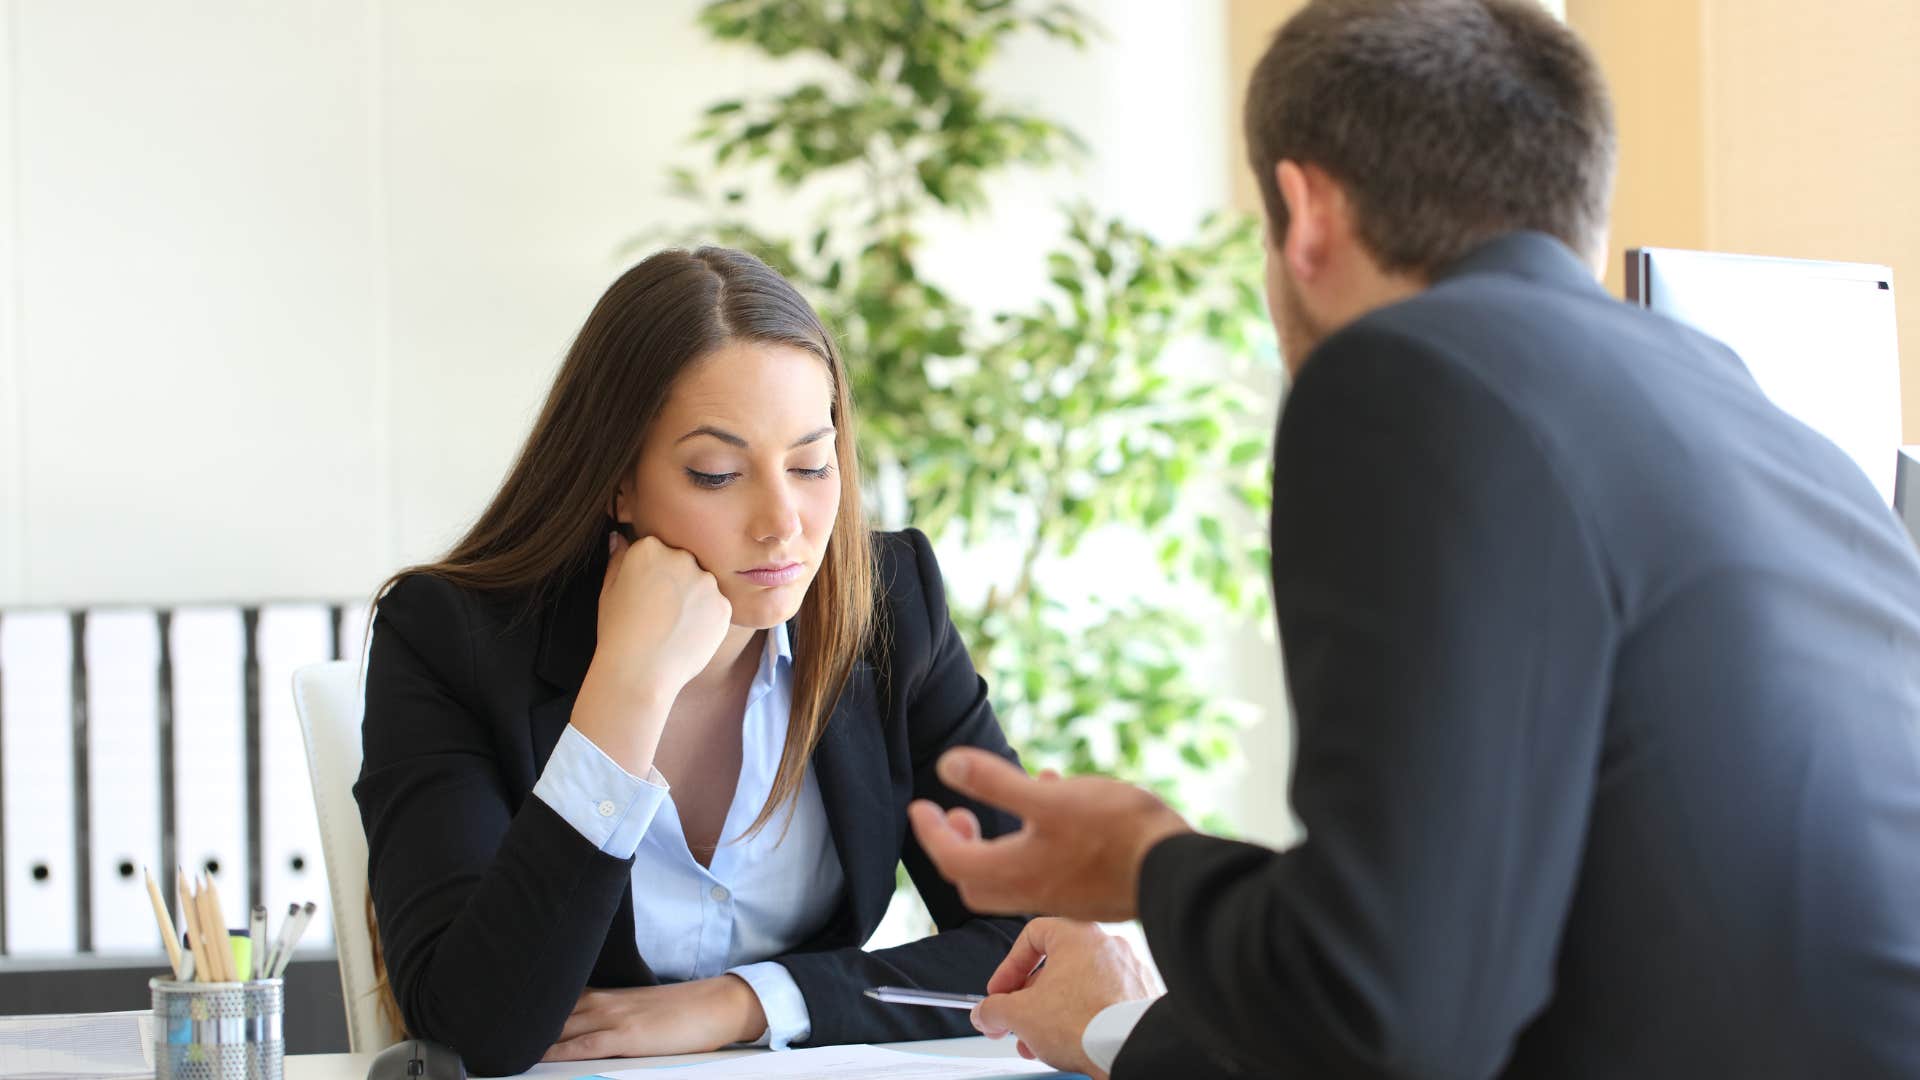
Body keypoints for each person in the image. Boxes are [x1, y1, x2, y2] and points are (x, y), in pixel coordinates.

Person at [907, 1, 1920, 1077]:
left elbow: (1383, 1016)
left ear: (1302, 210)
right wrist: (1122, 1029)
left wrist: (1146, 860)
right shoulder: (1784, 434)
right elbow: (1477, 978)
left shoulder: (1409, 370)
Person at [355, 247, 1030, 1075]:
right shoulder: (448, 639)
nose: (784, 522)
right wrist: (626, 689)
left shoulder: (890, 604)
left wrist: (744, 1003)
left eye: (813, 464)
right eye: (717, 474)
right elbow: (475, 1025)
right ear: (618, 482)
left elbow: (1034, 945)